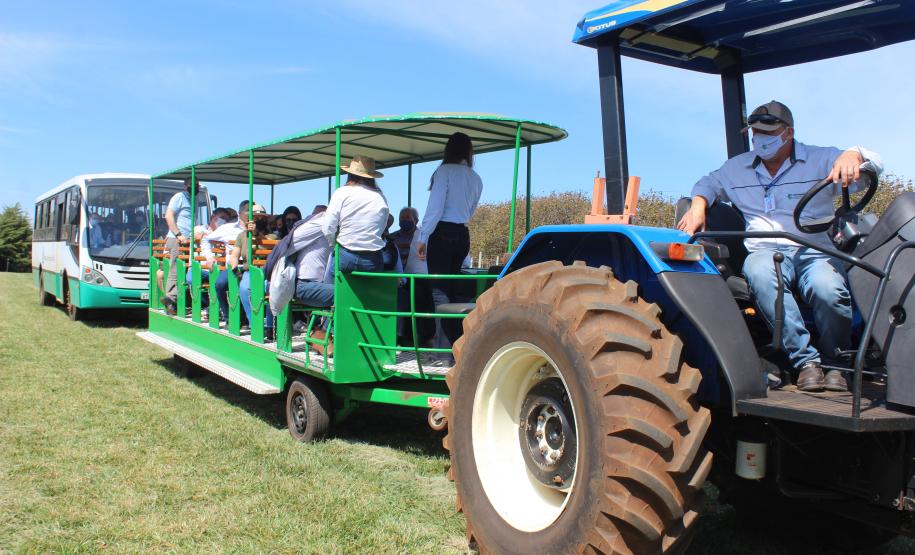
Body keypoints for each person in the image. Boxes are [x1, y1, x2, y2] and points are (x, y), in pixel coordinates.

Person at [676, 100, 883, 392]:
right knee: (762, 275)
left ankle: (836, 362)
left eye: (768, 132)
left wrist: (853, 154)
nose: (760, 138)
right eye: (756, 132)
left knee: (828, 289)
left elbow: (874, 163)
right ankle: (806, 363)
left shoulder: (819, 159)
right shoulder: (737, 168)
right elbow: (707, 183)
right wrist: (698, 206)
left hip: (813, 250)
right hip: (764, 251)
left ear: (788, 133)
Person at [416, 132, 483, 345]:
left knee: (439, 291)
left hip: (441, 232)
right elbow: (471, 211)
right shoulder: (475, 178)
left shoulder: (443, 172)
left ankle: (444, 348)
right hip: (462, 234)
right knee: (453, 289)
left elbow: (435, 208)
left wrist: (423, 237)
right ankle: (455, 344)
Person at [322, 155, 390, 272]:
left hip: (345, 254)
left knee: (332, 279)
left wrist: (333, 244)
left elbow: (328, 227)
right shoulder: (380, 197)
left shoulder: (342, 192)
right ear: (371, 177)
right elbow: (382, 226)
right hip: (373, 260)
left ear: (350, 174)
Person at [230, 203, 275, 340]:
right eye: (255, 217)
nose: (258, 220)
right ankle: (254, 323)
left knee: (271, 289)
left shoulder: (272, 235)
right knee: (244, 288)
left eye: (261, 218)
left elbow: (266, 245)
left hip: (267, 272)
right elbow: (235, 254)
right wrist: (234, 265)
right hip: (250, 271)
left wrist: (256, 233)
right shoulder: (242, 236)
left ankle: (270, 326)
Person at [161, 177, 199, 315]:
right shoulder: (179, 197)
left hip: (188, 240)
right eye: (192, 185)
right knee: (176, 270)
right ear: (185, 186)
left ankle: (177, 301)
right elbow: (169, 215)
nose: (195, 188)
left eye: (196, 185)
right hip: (178, 239)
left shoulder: (194, 199)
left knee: (185, 270)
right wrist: (178, 234)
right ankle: (170, 300)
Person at [211, 201, 250, 322]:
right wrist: (209, 256)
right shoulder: (227, 228)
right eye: (247, 211)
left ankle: (245, 317)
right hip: (235, 267)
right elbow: (206, 240)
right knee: (220, 284)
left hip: (252, 267)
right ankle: (228, 315)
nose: (250, 214)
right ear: (240, 213)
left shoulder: (261, 230)